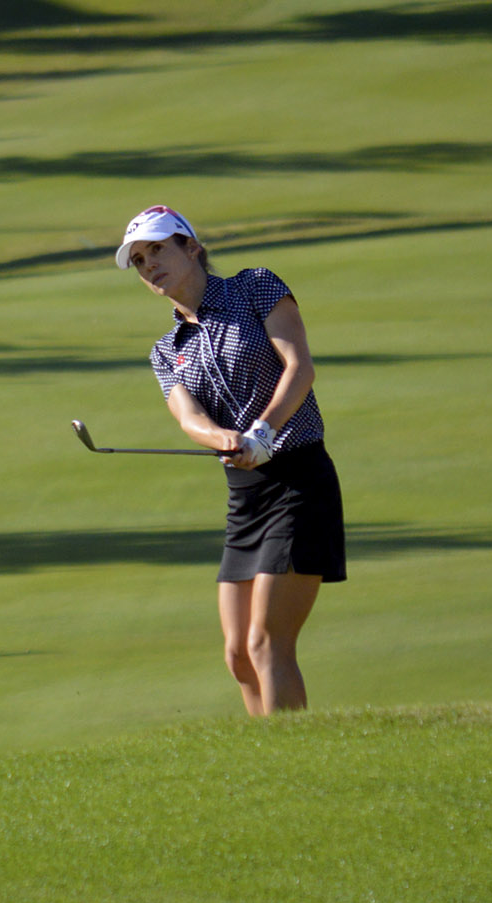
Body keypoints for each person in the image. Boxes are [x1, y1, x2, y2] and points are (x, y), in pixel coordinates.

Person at [115, 205, 345, 715]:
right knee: (238, 654)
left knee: (267, 643)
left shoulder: (254, 287)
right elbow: (187, 416)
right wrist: (223, 439)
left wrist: (264, 430)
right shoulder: (165, 349)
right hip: (246, 499)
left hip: (298, 482)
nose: (149, 265)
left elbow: (300, 366)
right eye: (138, 261)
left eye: (158, 250)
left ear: (191, 247)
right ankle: (269, 759)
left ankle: (296, 762)